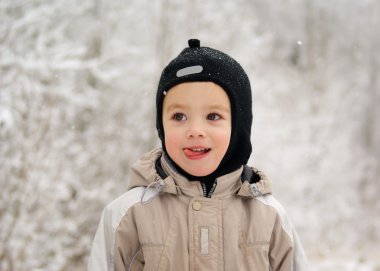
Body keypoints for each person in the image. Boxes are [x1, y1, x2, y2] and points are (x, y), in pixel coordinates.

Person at [87, 39, 309, 271]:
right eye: (179, 117)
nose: (194, 131)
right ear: (161, 126)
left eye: (213, 116)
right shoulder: (126, 216)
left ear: (239, 126)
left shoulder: (269, 217)